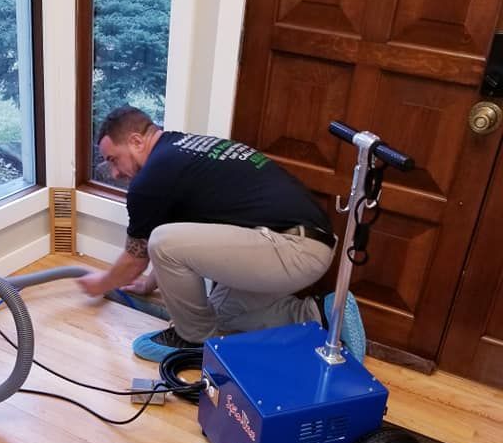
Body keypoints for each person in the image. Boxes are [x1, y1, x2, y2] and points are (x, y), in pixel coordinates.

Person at [77, 106, 366, 363]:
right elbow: (178, 232)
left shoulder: (152, 178)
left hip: (291, 248)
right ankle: (320, 315)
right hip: (308, 243)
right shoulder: (180, 153)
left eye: (113, 159)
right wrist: (150, 284)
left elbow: (138, 257)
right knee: (220, 315)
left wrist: (100, 284)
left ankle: (193, 341)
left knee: (166, 250)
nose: (114, 173)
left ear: (136, 141)